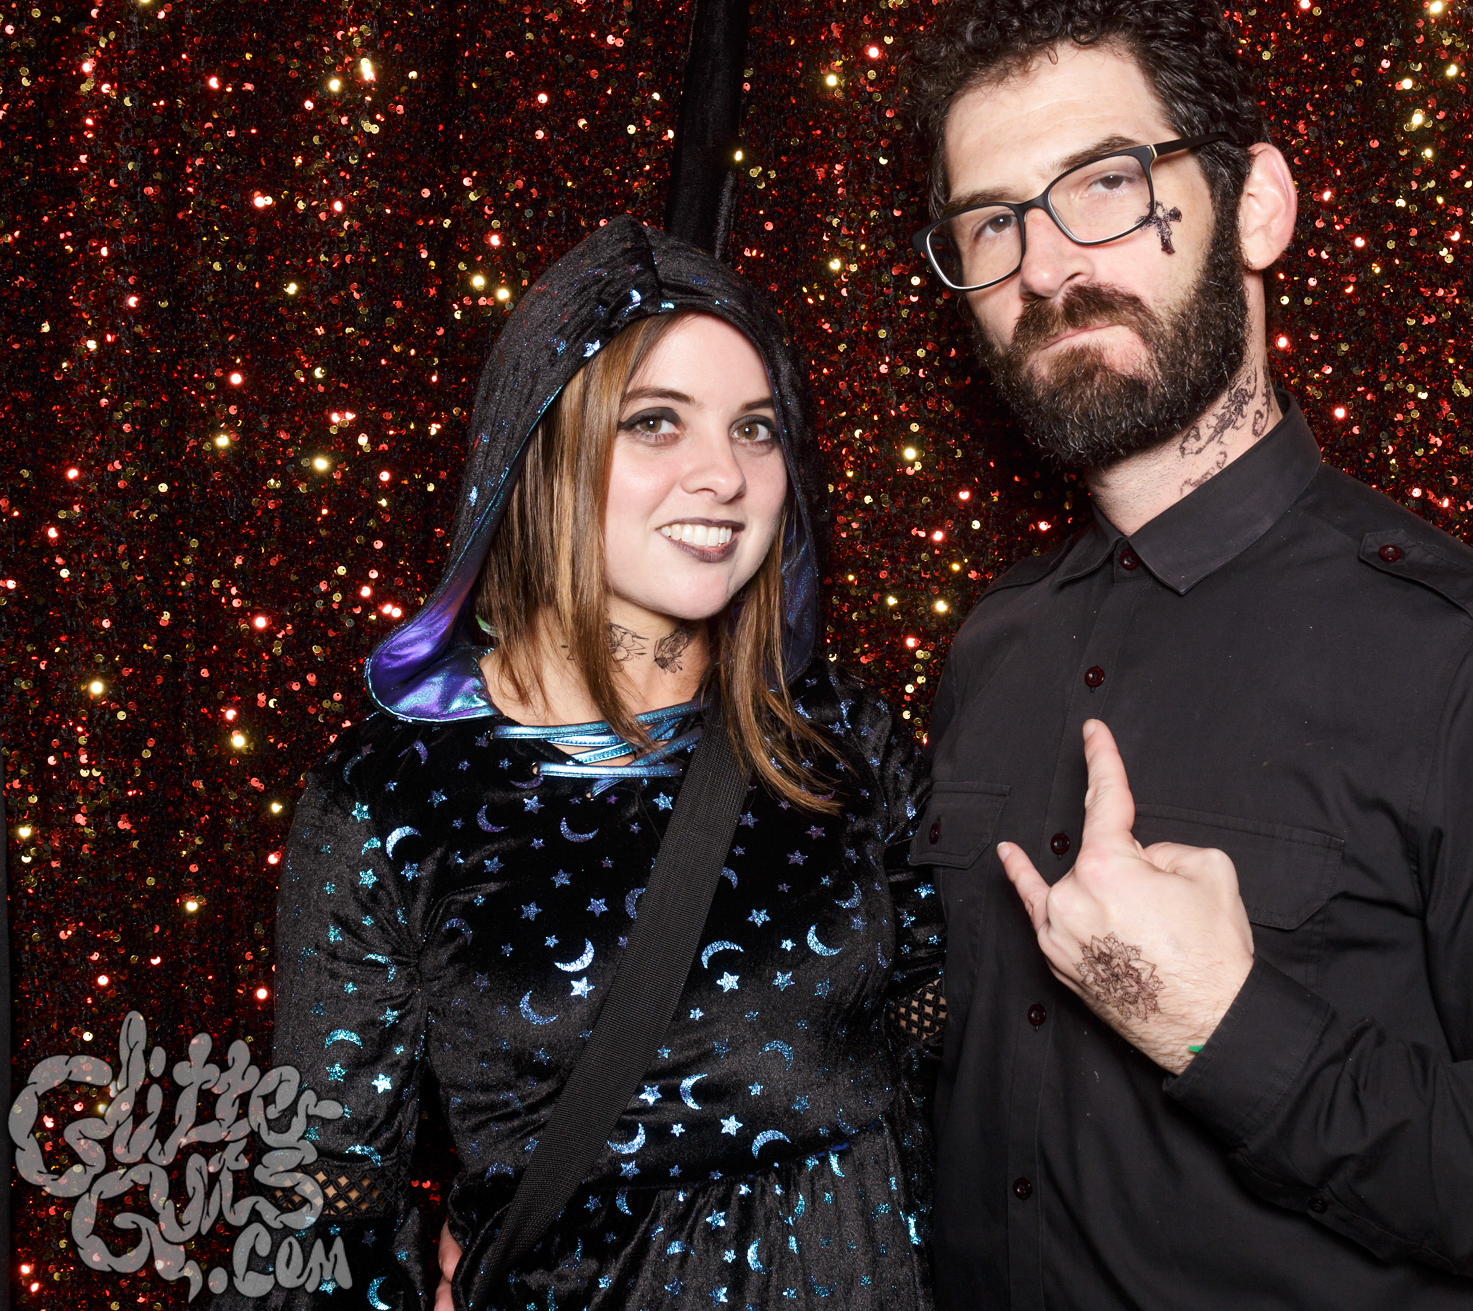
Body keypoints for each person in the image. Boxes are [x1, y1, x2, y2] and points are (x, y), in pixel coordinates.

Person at [900, 0, 1473, 1308]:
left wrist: (1230, 1031)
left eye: (1104, 185)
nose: (1044, 266)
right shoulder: (992, 646)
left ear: (1258, 207)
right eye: (992, 221)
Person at [219, 217, 943, 1311]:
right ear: (542, 445)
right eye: (655, 422)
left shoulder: (842, 737)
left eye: (756, 429)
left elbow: (953, 1060)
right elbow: (326, 1197)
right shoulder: (391, 797)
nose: (725, 475)